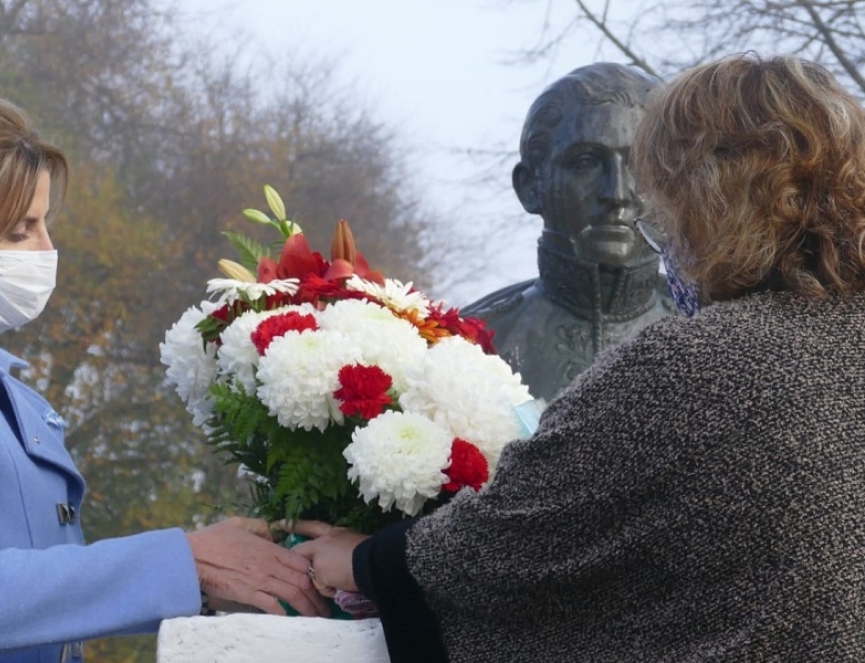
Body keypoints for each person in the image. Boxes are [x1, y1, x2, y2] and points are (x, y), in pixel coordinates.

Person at [291, 54, 865, 662]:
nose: (625, 201)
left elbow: (510, 540)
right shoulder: (466, 337)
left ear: (705, 198)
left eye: (651, 182)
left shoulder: (693, 362)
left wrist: (367, 562)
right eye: (589, 163)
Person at [0, 95, 328, 663]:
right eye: (20, 231)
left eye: (44, 225)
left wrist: (213, 565)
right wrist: (187, 560)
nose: (46, 250)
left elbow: (40, 592)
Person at [462, 62, 674, 402]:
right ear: (531, 186)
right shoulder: (468, 347)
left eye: (640, 166)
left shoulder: (719, 340)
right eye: (586, 162)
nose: (617, 194)